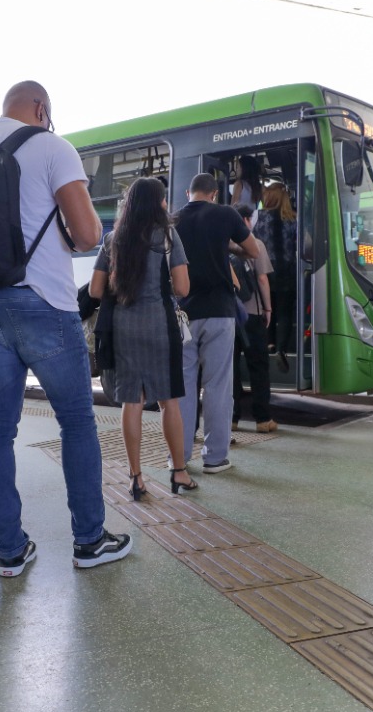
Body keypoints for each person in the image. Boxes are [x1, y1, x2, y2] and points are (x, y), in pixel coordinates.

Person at [0, 81, 130, 575]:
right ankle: (89, 541)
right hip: (45, 302)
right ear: (41, 109)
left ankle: (11, 550)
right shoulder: (52, 147)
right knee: (76, 422)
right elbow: (91, 233)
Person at [89, 177, 195, 497]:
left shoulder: (113, 240)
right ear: (157, 203)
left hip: (124, 328)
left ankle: (136, 478)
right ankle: (179, 472)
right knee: (168, 402)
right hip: (160, 327)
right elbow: (182, 288)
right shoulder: (167, 236)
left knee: (131, 402)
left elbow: (95, 290)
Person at [175, 172, 252, 474]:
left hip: (183, 314)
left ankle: (178, 458)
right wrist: (228, 247)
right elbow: (254, 251)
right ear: (215, 194)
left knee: (183, 386)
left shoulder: (174, 219)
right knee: (218, 386)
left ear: (188, 192)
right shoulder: (226, 214)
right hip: (220, 312)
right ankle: (215, 458)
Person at [231, 203, 276, 433]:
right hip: (252, 314)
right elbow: (262, 280)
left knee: (231, 369)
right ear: (247, 220)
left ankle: (232, 418)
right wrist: (268, 309)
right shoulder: (255, 244)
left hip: (229, 315)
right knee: (258, 366)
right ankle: (262, 419)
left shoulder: (226, 243)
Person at [256, 179, 299, 371]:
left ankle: (269, 343)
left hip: (265, 269)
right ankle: (282, 348)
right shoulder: (293, 219)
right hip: (288, 271)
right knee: (285, 313)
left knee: (268, 309)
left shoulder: (258, 217)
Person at [230, 154, 264, 225]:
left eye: (238, 167)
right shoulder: (258, 186)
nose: (237, 170)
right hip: (253, 221)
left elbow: (233, 206)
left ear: (244, 169)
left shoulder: (239, 184)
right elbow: (264, 205)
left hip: (240, 220)